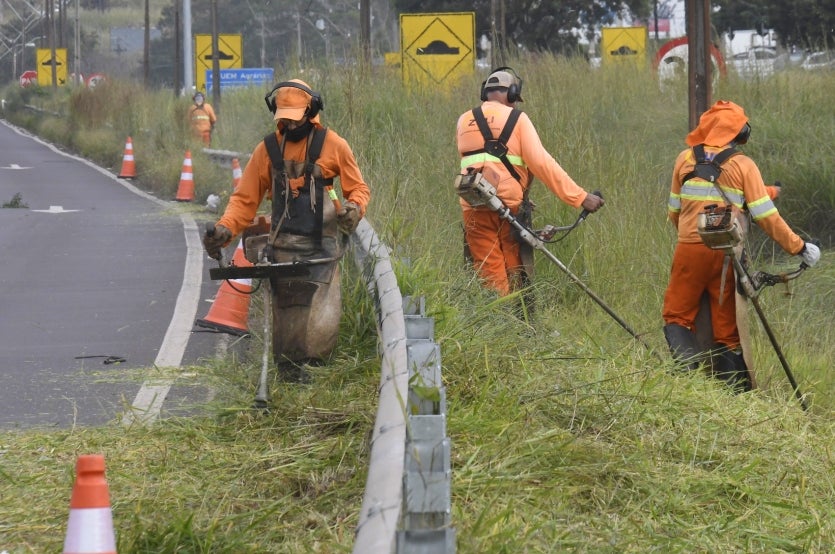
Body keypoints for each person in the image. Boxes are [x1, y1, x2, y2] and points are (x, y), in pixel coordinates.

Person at [202, 78, 371, 376]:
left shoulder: (334, 145)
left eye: (296, 120)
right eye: (285, 120)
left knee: (318, 325)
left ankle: (316, 375)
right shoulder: (267, 150)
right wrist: (225, 229)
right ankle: (289, 377)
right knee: (287, 328)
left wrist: (354, 209)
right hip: (282, 252)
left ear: (311, 111)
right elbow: (245, 200)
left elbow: (358, 188)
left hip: (322, 254)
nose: (291, 127)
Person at [662, 100, 820, 391]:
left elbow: (673, 211)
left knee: (677, 316)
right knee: (727, 330)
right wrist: (799, 248)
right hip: (725, 258)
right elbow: (765, 217)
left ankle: (685, 377)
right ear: (741, 132)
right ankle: (734, 393)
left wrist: (690, 236)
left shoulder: (684, 159)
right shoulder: (744, 165)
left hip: (688, 250)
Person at [455, 66, 604, 297]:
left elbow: (481, 163)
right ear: (511, 94)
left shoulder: (464, 120)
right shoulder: (517, 119)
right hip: (508, 208)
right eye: (515, 99)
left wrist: (522, 191)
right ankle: (517, 321)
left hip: (473, 204)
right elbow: (542, 164)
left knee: (489, 272)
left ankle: (496, 322)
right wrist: (581, 197)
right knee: (516, 269)